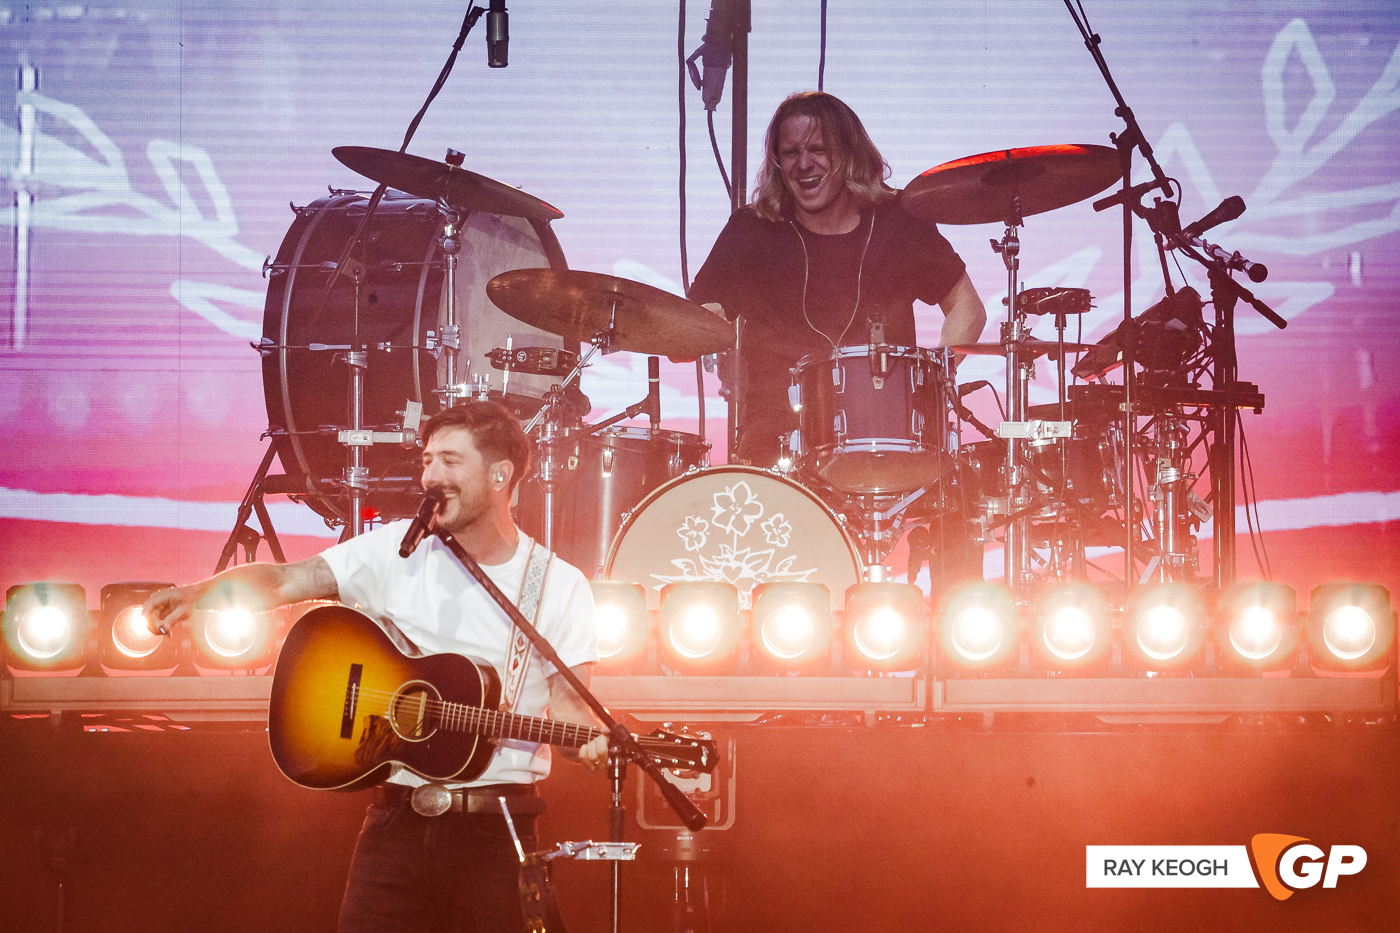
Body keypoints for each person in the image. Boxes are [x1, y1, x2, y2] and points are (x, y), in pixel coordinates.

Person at [144, 400, 610, 933]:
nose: (432, 476)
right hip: (395, 825)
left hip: (496, 834)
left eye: (451, 462)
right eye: (427, 461)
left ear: (500, 474)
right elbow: (285, 581)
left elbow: (575, 712)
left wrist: (591, 742)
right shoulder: (398, 551)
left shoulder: (558, 584)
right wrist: (199, 593)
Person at [689, 90, 987, 466]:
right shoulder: (752, 230)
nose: (804, 163)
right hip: (775, 447)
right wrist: (700, 322)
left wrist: (927, 378)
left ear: (849, 153)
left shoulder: (898, 220)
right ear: (778, 163)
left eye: (818, 149)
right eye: (791, 153)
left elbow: (968, 308)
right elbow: (693, 321)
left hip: (886, 439)